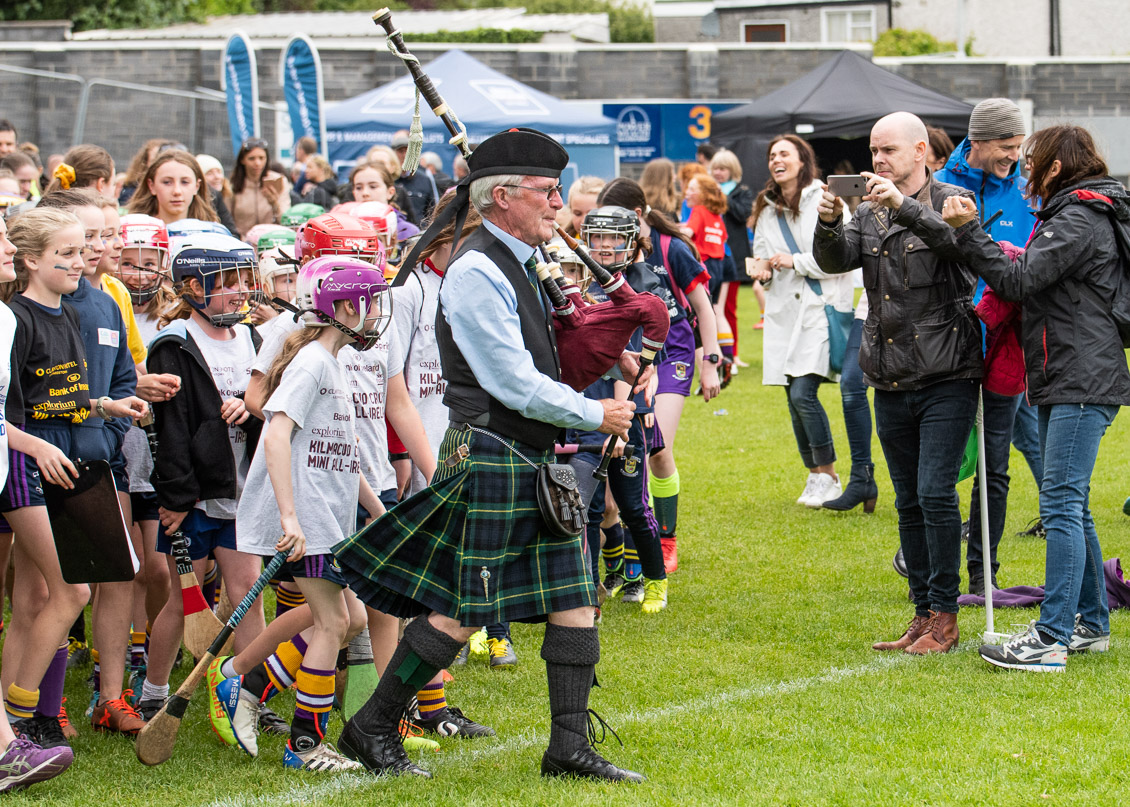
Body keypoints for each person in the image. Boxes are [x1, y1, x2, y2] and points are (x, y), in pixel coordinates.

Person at [333, 127, 644, 782]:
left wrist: (602, 330)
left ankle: (568, 745)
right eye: (547, 192)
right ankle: (371, 723)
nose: (559, 205)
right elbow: (511, 381)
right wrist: (597, 412)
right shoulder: (476, 270)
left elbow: (545, 355)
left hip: (530, 450)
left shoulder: (526, 259)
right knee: (462, 603)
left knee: (577, 597)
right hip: (491, 447)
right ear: (502, 197)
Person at [936, 124, 1130, 672]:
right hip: (1071, 372)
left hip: (1079, 376)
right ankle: (1090, 622)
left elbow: (1018, 280)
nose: (1024, 172)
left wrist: (970, 232)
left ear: (1055, 166)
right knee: (1074, 502)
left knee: (1062, 503)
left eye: (1032, 162)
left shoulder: (1076, 217)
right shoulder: (1079, 212)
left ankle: (1051, 636)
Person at [814, 112, 982, 655]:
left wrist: (902, 206)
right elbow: (836, 261)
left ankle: (947, 617)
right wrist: (829, 223)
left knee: (936, 493)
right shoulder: (866, 209)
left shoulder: (953, 200)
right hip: (887, 371)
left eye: (888, 150)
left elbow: (964, 255)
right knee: (908, 498)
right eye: (873, 151)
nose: (878, 161)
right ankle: (920, 614)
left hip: (947, 369)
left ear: (919, 151)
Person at [139, 233, 266, 719]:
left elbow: (272, 407)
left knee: (247, 596)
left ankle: (249, 694)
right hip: (193, 498)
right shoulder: (173, 346)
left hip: (243, 493)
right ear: (193, 287)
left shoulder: (253, 339)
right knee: (181, 600)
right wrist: (175, 497)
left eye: (242, 281)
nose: (239, 292)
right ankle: (153, 691)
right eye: (227, 283)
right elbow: (169, 432)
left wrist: (250, 406)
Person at [934, 97, 1038, 594]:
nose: (1012, 157)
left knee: (995, 463)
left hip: (1003, 346)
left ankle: (983, 574)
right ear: (976, 142)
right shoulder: (939, 186)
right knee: (941, 463)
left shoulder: (1025, 191)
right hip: (947, 343)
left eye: (1018, 147)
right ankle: (933, 560)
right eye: (1004, 147)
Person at [597, 177, 722, 573]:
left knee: (657, 447)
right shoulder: (609, 254)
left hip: (673, 354)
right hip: (633, 354)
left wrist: (711, 360)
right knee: (635, 448)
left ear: (635, 216)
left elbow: (703, 307)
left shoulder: (673, 249)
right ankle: (636, 545)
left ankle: (664, 539)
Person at [0, 212, 76, 792]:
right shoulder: (16, 318)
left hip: (12, 468)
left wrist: (106, 404)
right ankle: (18, 727)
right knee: (65, 589)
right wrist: (35, 447)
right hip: (23, 468)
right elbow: (14, 417)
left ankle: (12, 736)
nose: (8, 245)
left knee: (41, 594)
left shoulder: (5, 317)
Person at [750, 135, 855, 508]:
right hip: (783, 311)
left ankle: (829, 473)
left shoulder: (823, 199)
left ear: (801, 160)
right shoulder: (766, 207)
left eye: (784, 154)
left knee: (803, 393)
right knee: (790, 396)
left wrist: (792, 261)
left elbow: (838, 255)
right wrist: (761, 268)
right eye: (772, 155)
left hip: (818, 305)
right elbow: (762, 251)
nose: (777, 160)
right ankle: (814, 475)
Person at [710, 149, 754, 367]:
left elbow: (743, 214)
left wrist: (723, 197)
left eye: (723, 168)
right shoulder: (706, 192)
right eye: (715, 168)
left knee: (728, 308)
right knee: (710, 308)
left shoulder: (742, 192)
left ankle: (733, 353)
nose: (718, 173)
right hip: (711, 257)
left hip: (733, 257)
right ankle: (713, 351)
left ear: (732, 170)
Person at [127, 151, 219, 228]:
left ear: (197, 186)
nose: (177, 191)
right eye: (167, 182)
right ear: (151, 186)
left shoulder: (211, 232)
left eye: (185, 182)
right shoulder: (134, 230)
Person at [228, 138, 291, 237]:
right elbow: (227, 221)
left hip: (273, 240)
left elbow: (286, 219)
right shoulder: (232, 185)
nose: (257, 163)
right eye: (251, 158)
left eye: (262, 158)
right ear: (242, 160)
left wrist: (275, 204)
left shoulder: (279, 181)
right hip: (243, 243)